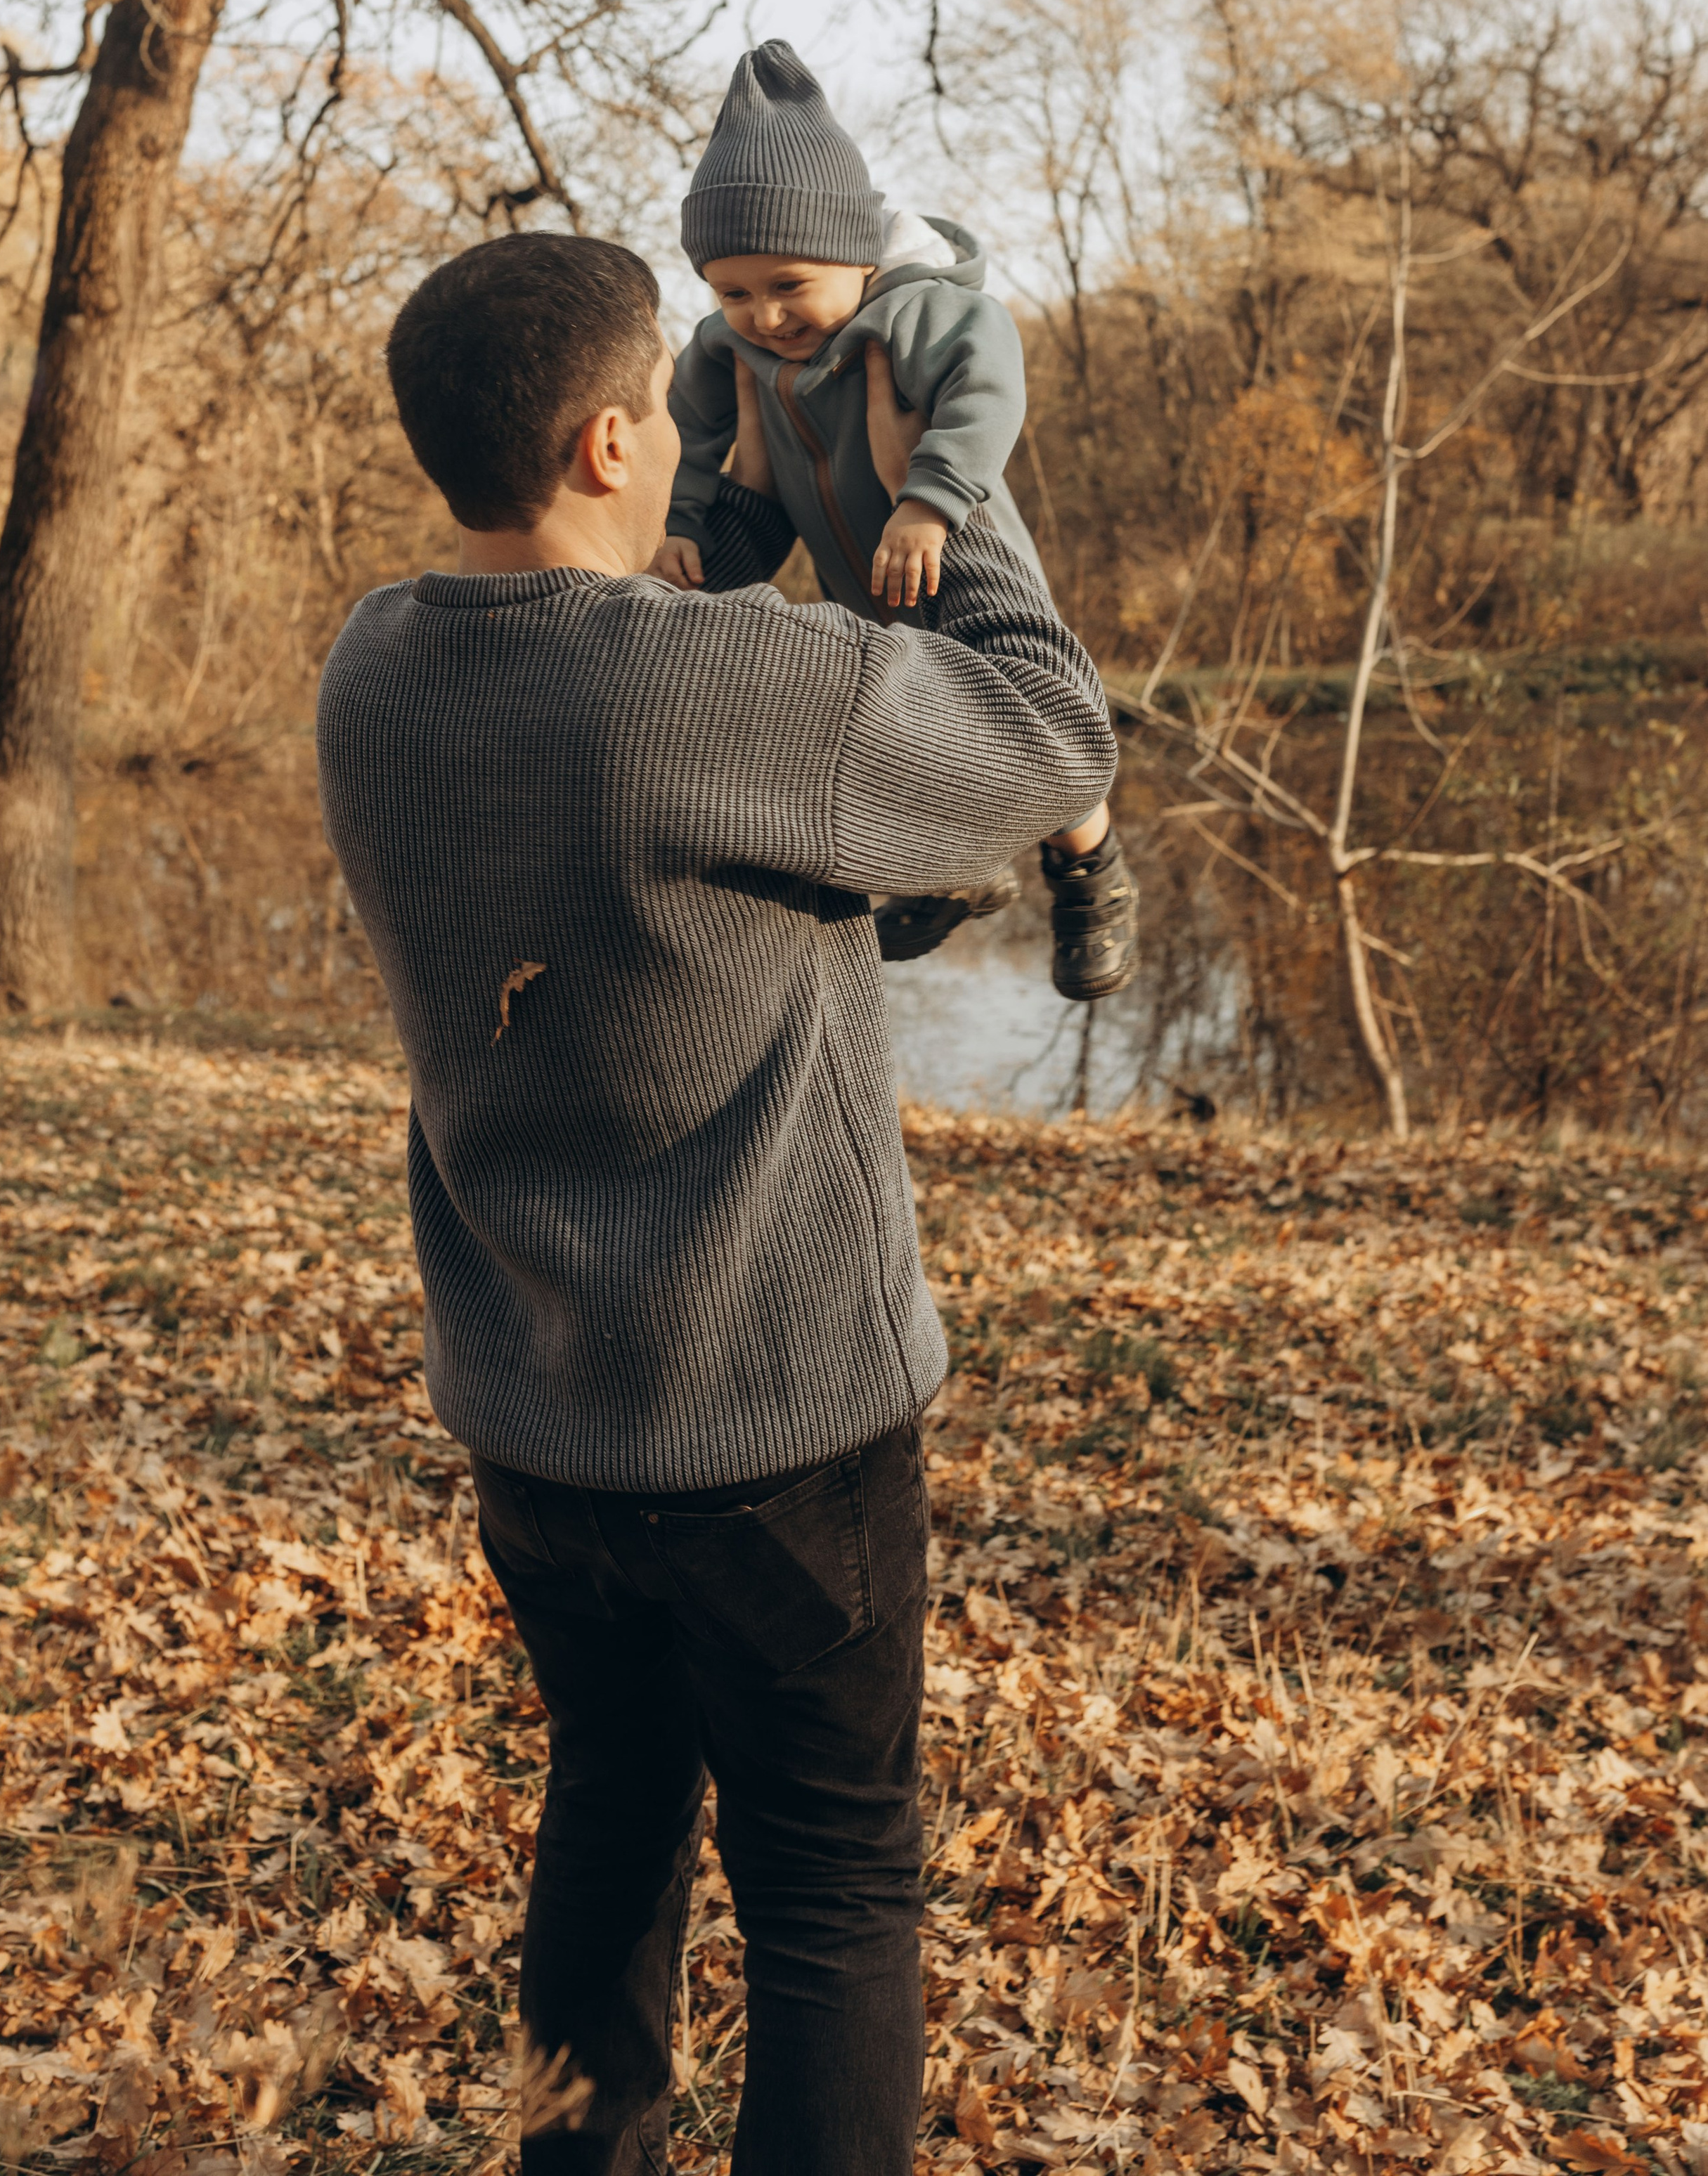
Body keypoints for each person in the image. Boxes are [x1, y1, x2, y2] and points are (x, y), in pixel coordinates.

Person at [316, 231, 1117, 2175]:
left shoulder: (373, 670)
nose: (694, 440)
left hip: (537, 1419)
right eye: (670, 415)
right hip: (784, 1438)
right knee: (833, 1886)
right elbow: (1050, 734)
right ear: (608, 445)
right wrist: (942, 478)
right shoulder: (721, 686)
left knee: (609, 1816)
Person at [652, 37, 1137, 1001]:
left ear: (858, 255)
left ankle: (1092, 873)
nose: (764, 316)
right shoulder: (724, 353)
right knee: (908, 721)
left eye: (790, 285)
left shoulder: (917, 313)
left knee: (1022, 714)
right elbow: (689, 438)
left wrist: (928, 499)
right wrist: (682, 523)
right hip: (856, 579)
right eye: (733, 292)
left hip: (950, 542)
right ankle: (955, 866)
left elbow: (987, 387)